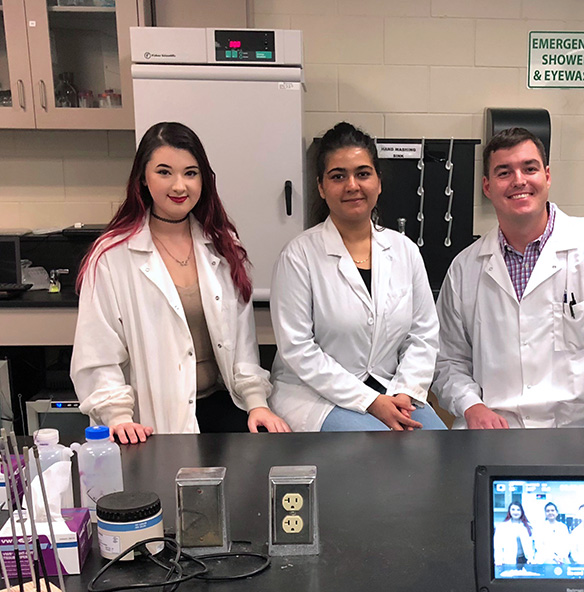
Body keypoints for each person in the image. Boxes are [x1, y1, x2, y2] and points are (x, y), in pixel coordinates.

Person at [433, 127, 584, 442]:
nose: (519, 180)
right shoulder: (466, 267)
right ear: (487, 187)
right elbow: (447, 359)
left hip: (583, 434)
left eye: (530, 168)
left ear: (548, 175)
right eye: (504, 172)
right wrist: (470, 405)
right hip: (497, 434)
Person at [71, 121, 290, 444]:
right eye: (164, 172)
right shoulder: (113, 254)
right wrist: (118, 416)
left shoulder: (222, 244)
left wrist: (257, 404)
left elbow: (242, 343)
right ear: (142, 179)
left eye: (190, 173)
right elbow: (98, 350)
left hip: (222, 404)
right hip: (150, 420)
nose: (179, 186)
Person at [269, 122, 445, 432]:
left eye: (363, 173)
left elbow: (423, 335)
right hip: (316, 397)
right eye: (338, 176)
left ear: (378, 181)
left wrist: (404, 392)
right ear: (322, 187)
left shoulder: (403, 250)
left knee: (440, 447)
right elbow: (298, 348)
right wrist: (371, 402)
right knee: (378, 448)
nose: (352, 185)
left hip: (391, 390)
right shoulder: (298, 256)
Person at [493, 502, 535, 566]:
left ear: (522, 512)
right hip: (508, 560)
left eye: (518, 510)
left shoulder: (528, 526)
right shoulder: (502, 526)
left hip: (525, 560)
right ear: (509, 511)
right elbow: (497, 545)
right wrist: (498, 559)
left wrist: (532, 558)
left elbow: (533, 544)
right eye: (513, 509)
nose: (516, 512)